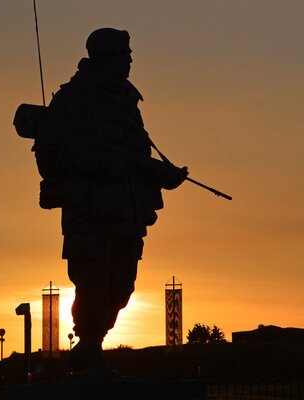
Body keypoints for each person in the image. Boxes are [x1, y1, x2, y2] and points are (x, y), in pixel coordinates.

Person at [33, 27, 188, 376]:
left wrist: (161, 175)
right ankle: (88, 352)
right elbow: (50, 155)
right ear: (104, 58)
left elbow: (135, 156)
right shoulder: (73, 100)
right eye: (124, 54)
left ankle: (90, 349)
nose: (131, 60)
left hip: (124, 211)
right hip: (90, 211)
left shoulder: (125, 103)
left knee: (121, 287)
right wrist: (106, 164)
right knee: (93, 282)